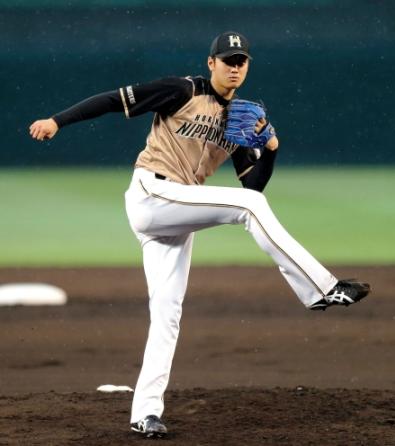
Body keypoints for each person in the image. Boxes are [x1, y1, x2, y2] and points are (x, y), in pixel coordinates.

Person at [29, 31, 370, 439]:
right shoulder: (182, 90)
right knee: (249, 209)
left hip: (177, 213)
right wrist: (57, 121)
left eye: (241, 61)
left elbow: (253, 187)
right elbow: (112, 100)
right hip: (152, 192)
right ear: (212, 63)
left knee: (167, 314)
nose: (235, 67)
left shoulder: (241, 117)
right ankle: (321, 289)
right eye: (227, 60)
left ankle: (144, 413)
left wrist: (270, 148)